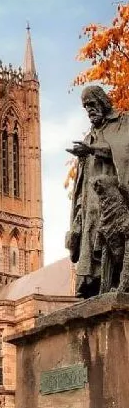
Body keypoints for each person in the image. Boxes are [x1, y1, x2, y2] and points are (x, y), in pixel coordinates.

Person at [65, 85, 129, 297]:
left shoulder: (122, 123)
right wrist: (78, 209)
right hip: (91, 203)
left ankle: (114, 285)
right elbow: (81, 181)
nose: (89, 110)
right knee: (90, 244)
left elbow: (122, 152)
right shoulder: (90, 136)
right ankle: (95, 288)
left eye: (92, 104)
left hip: (112, 198)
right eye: (85, 107)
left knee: (112, 243)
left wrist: (91, 150)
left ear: (103, 102)